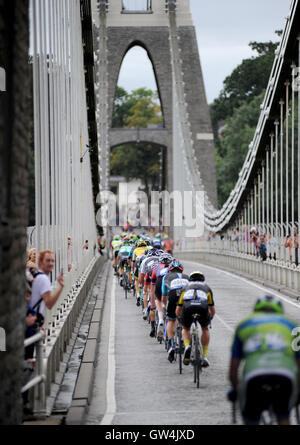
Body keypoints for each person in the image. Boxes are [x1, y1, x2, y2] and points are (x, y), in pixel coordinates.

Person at [228, 295, 300, 425]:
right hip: (284, 376)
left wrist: (236, 390)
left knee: (250, 418)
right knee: (283, 415)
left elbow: (233, 370)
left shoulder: (244, 325)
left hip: (254, 377)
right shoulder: (292, 325)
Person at [176, 271, 215, 367]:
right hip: (202, 307)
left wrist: (179, 318)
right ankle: (205, 356)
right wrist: (210, 319)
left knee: (185, 328)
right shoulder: (206, 288)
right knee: (205, 328)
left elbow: (179, 308)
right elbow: (212, 309)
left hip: (188, 307)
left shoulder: (185, 287)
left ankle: (187, 346)